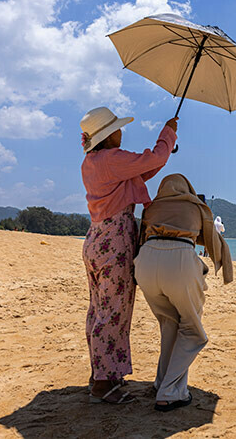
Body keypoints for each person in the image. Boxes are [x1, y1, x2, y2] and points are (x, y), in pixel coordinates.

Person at [80, 106, 177, 404]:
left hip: (96, 239)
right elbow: (154, 160)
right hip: (114, 243)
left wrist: (163, 146)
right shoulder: (113, 159)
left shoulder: (93, 161)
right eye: (118, 129)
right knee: (114, 312)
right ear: (109, 135)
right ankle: (103, 384)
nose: (122, 132)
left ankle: (102, 372)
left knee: (99, 309)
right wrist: (169, 132)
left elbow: (144, 169)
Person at [135, 174, 233, 412]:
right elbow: (208, 236)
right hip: (178, 262)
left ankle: (161, 383)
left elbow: (141, 235)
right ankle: (169, 391)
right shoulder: (194, 205)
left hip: (146, 262)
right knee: (193, 332)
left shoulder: (151, 206)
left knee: (169, 325)